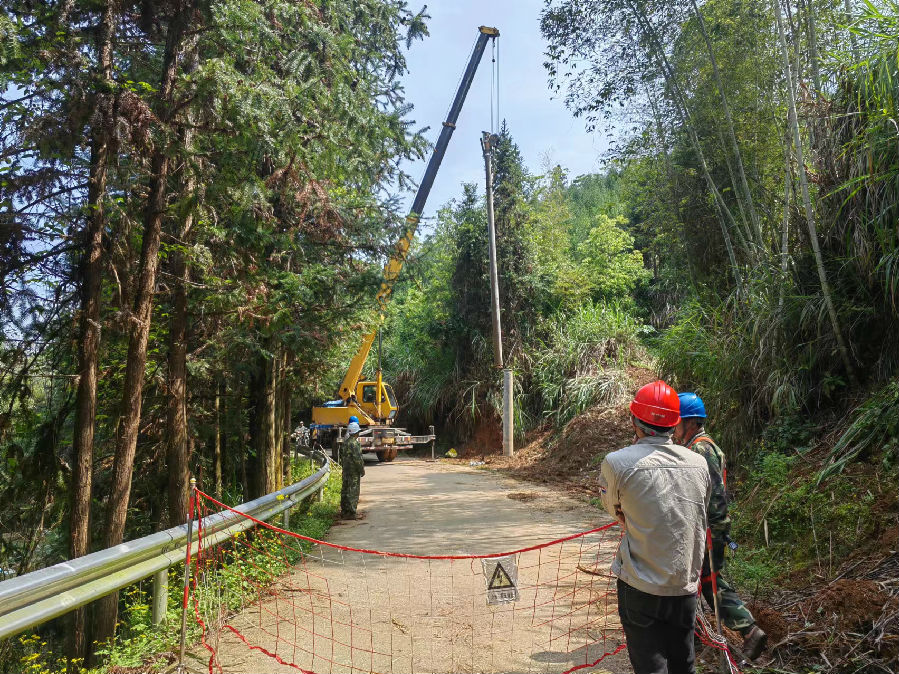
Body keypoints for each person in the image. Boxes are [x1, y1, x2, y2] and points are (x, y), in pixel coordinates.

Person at [598, 380, 711, 674]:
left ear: (634, 421)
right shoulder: (699, 464)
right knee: (683, 664)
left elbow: (614, 510)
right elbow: (701, 510)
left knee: (650, 667)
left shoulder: (617, 463)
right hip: (684, 585)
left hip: (640, 585)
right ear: (675, 424)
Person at [675, 393, 768, 660]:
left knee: (706, 582)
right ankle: (694, 635)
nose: (674, 428)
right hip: (712, 527)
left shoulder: (700, 450)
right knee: (702, 580)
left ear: (690, 422)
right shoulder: (706, 446)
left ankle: (748, 630)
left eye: (678, 422)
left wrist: (709, 529)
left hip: (708, 528)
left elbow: (713, 496)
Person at [340, 416, 365, 520]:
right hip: (353, 471)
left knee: (345, 489)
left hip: (346, 470)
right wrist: (362, 470)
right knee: (353, 491)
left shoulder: (345, 443)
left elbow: (341, 457)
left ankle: (344, 511)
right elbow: (358, 459)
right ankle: (351, 512)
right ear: (356, 432)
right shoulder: (355, 444)